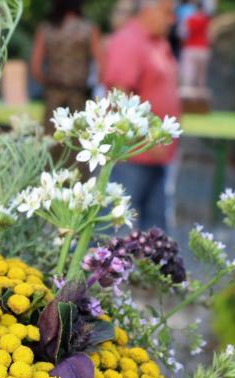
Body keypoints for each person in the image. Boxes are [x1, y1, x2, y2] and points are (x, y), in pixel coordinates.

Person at [102, 0, 179, 231]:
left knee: (153, 231)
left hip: (153, 155)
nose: (172, 20)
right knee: (119, 229)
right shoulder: (129, 42)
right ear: (149, 10)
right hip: (134, 155)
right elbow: (117, 99)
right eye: (168, 13)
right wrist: (144, 141)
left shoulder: (156, 41)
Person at [30, 0, 103, 135]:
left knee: (51, 139)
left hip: (53, 94)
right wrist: (92, 88)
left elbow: (35, 67)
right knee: (79, 139)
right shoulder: (89, 28)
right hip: (79, 94)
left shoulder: (46, 28)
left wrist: (48, 84)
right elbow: (102, 66)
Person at [179, 1, 212, 95]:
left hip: (190, 48)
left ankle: (188, 100)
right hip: (203, 49)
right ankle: (200, 101)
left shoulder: (190, 19)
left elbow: (183, 33)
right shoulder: (206, 20)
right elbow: (210, 35)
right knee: (201, 78)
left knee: (189, 75)